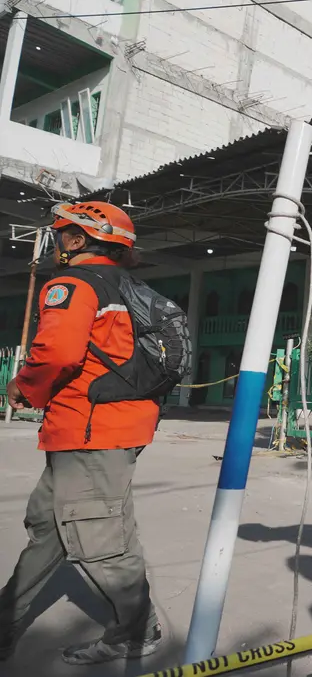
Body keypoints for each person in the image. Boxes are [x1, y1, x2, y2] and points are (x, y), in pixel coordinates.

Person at [0, 202, 162, 665]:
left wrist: (23, 387)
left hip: (90, 430)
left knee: (100, 543)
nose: (56, 242)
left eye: (60, 235)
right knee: (50, 528)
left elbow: (57, 354)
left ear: (75, 240)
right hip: (113, 426)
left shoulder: (75, 283)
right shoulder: (131, 287)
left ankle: (136, 631)